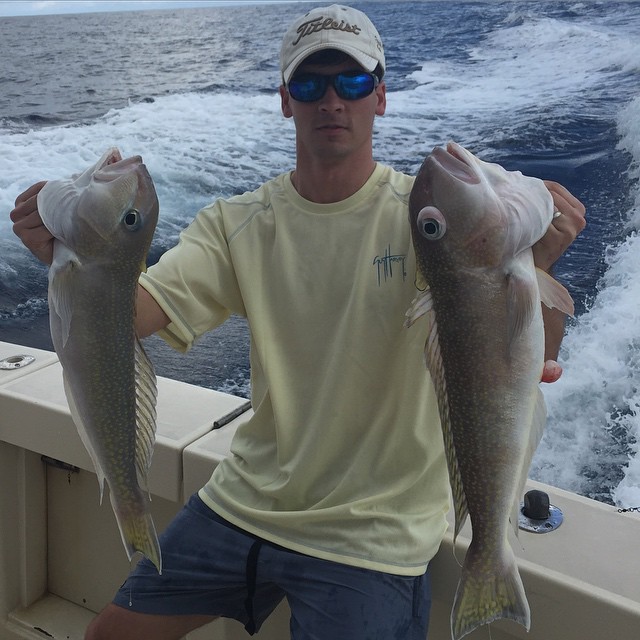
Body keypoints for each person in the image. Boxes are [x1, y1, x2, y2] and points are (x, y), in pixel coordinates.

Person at [10, 5, 586, 640]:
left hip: (375, 533)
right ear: (286, 101)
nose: (331, 100)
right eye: (310, 85)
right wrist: (78, 259)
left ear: (381, 96)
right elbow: (134, 316)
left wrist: (533, 265)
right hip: (246, 501)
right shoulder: (237, 224)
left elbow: (523, 361)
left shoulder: (434, 221)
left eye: (353, 82)